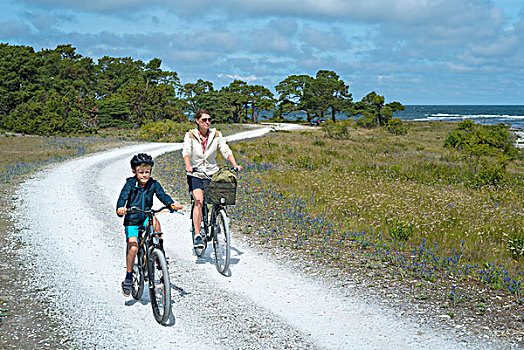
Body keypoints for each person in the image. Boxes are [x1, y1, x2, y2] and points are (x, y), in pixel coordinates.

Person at [116, 153, 182, 297]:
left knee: (156, 225)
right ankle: (128, 278)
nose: (145, 175)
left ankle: (159, 255)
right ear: (134, 172)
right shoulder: (130, 184)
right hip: (132, 219)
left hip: (146, 215)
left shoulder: (153, 184)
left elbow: (162, 195)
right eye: (141, 172)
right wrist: (121, 208)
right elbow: (122, 198)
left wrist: (171, 203)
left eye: (147, 172)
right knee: (133, 247)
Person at [182, 109, 242, 249]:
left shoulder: (216, 134)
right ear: (197, 120)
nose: (207, 122)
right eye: (204, 120)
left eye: (209, 120)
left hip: (212, 172)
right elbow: (186, 151)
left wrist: (234, 165)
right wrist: (188, 165)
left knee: (220, 198)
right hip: (196, 173)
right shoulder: (190, 135)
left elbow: (225, 150)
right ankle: (197, 235)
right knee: (199, 201)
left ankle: (217, 220)